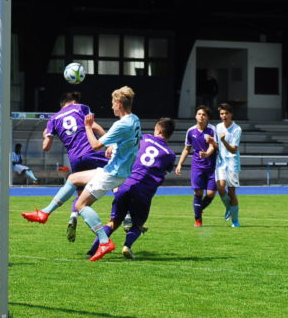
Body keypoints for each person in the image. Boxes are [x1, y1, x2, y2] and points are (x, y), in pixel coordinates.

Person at [22, 86, 142, 261]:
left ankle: (104, 241)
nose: (111, 106)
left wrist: (87, 127)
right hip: (115, 170)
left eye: (112, 103)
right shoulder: (134, 119)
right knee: (73, 178)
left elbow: (95, 145)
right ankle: (44, 213)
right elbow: (131, 141)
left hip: (112, 173)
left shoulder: (120, 124)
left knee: (80, 205)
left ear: (119, 104)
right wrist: (114, 146)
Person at [86, 117, 177, 260]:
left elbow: (126, 143)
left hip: (126, 183)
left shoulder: (143, 138)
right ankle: (127, 246)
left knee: (114, 221)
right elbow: (163, 173)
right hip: (144, 190)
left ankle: (92, 250)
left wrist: (112, 146)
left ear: (159, 130)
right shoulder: (170, 155)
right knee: (138, 224)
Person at [42, 91, 107, 242]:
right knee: (116, 175)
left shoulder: (53, 119)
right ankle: (127, 216)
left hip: (75, 159)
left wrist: (46, 136)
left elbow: (46, 147)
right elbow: (94, 127)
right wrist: (109, 142)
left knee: (81, 195)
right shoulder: (80, 108)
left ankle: (73, 216)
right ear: (73, 101)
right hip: (91, 152)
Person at [175, 105, 217, 227]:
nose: (201, 116)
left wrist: (207, 154)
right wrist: (179, 164)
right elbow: (186, 149)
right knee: (198, 192)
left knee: (210, 193)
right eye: (199, 114)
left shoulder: (212, 130)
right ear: (195, 116)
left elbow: (213, 146)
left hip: (211, 166)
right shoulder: (190, 131)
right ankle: (198, 219)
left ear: (207, 117)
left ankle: (199, 209)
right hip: (197, 166)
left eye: (204, 114)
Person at [215, 103, 242, 227]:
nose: (224, 116)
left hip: (232, 163)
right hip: (221, 162)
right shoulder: (218, 127)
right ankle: (228, 207)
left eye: (226, 113)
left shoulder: (237, 129)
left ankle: (235, 221)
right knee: (220, 187)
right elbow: (217, 145)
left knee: (231, 193)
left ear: (231, 114)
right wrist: (212, 143)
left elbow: (233, 150)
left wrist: (223, 140)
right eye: (222, 114)